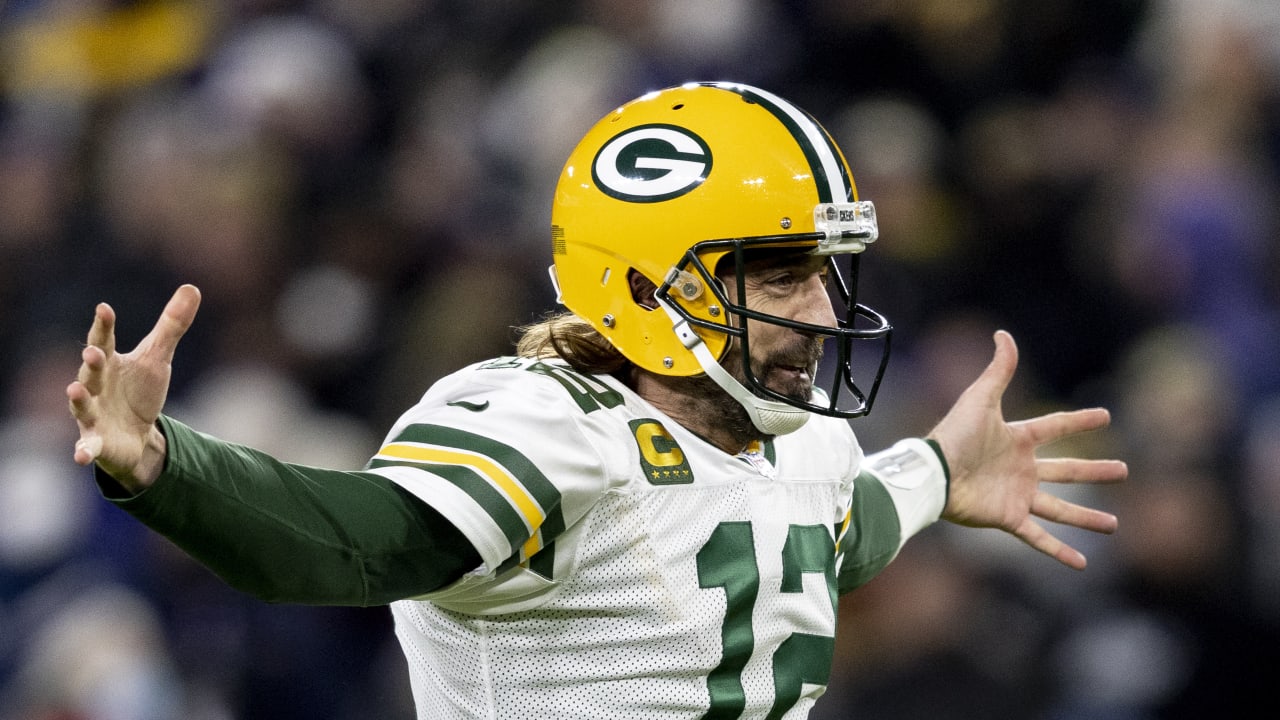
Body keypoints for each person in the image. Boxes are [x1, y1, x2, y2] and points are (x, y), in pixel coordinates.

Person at [66, 82, 1127, 719]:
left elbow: (830, 529)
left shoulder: (798, 449)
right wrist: (165, 465)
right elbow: (356, 544)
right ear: (641, 287)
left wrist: (940, 474)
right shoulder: (545, 424)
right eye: (777, 275)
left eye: (823, 271)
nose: (819, 307)